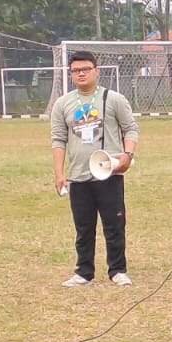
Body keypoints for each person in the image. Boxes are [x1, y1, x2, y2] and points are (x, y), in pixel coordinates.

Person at [51, 51, 139, 288]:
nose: (81, 74)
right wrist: (59, 174)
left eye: (85, 69)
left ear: (96, 71)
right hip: (78, 175)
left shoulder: (113, 99)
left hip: (108, 173)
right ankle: (84, 272)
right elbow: (59, 140)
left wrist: (128, 155)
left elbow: (131, 129)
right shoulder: (63, 104)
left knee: (114, 224)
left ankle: (118, 270)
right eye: (76, 71)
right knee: (83, 227)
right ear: (70, 75)